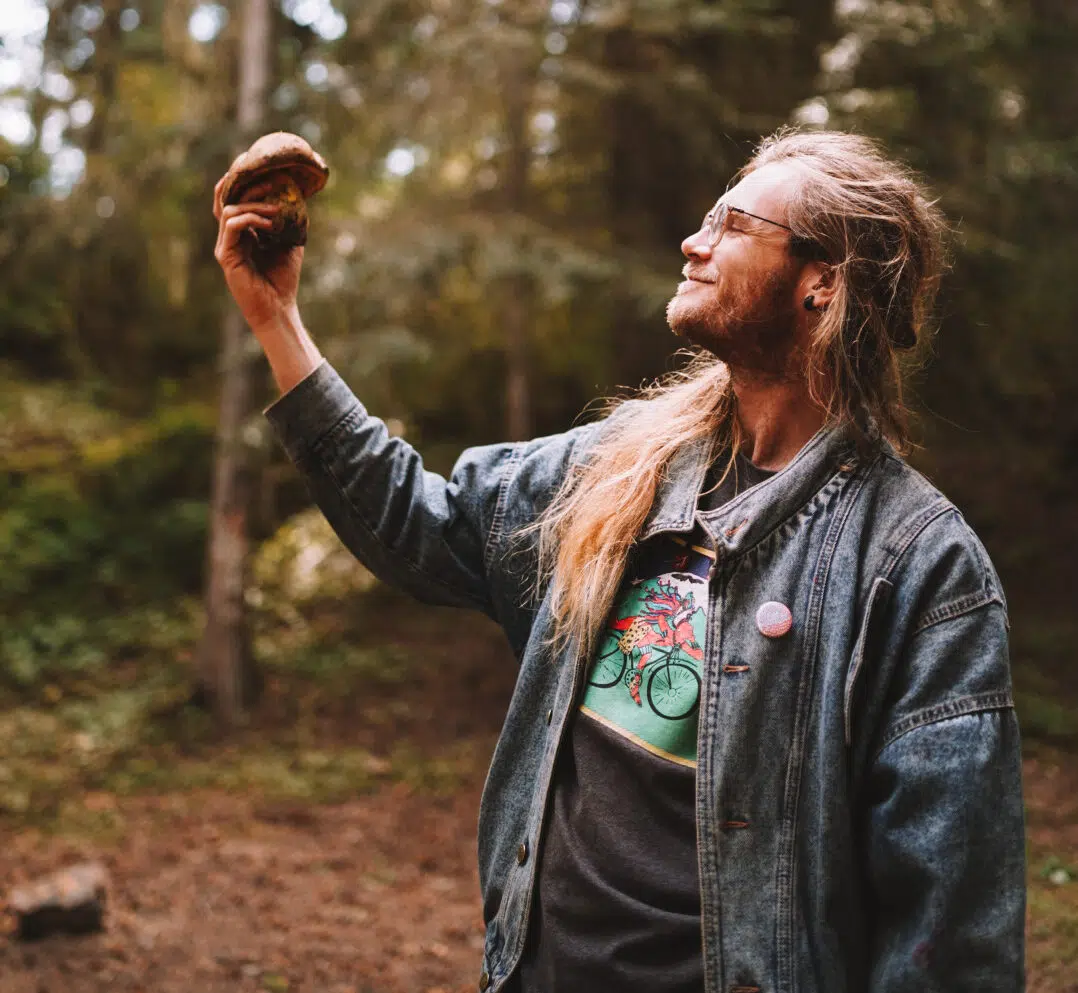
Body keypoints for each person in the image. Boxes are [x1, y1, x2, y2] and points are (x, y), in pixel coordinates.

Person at [213, 129, 1025, 993]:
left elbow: (950, 934)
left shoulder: (920, 566)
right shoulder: (624, 469)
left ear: (822, 280)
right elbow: (423, 524)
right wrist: (278, 318)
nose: (694, 240)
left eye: (733, 222)